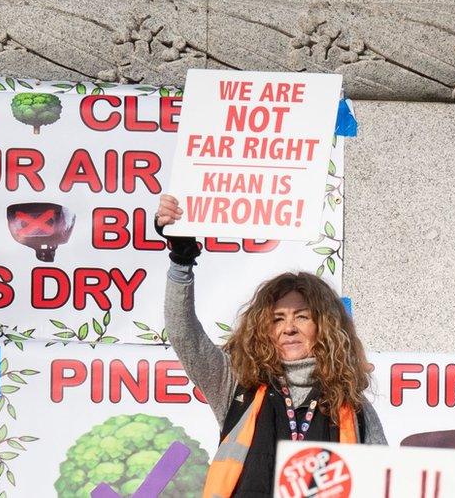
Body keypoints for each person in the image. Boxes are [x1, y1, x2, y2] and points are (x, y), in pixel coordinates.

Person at [155, 194, 386, 498]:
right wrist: (181, 260)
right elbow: (183, 334)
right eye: (278, 319)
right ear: (265, 328)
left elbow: (383, 483)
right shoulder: (238, 386)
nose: (289, 328)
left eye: (302, 317)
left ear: (325, 327)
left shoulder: (353, 407)